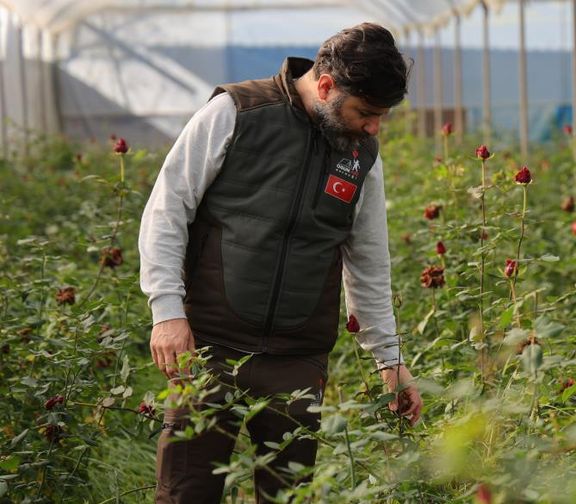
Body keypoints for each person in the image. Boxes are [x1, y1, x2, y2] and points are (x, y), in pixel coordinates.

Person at [138, 22, 423, 503]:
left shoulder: (362, 155)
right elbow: (168, 209)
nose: (374, 127)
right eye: (366, 113)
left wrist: (389, 359)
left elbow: (369, 264)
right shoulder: (236, 112)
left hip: (298, 359)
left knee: (287, 496)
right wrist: (167, 311)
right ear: (327, 86)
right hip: (209, 350)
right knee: (186, 492)